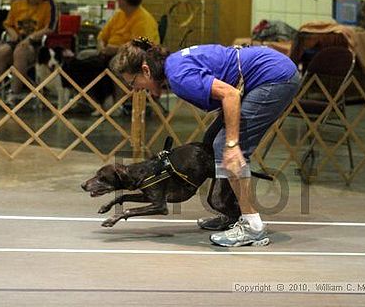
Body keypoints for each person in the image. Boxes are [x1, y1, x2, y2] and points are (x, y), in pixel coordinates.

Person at [110, 38, 300, 247]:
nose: (134, 89)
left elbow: (230, 94)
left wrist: (232, 144)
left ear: (146, 70)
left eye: (132, 82)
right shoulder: (174, 66)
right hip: (266, 73)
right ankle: (230, 213)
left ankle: (252, 226)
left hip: (274, 78)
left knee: (224, 146)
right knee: (212, 141)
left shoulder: (179, 76)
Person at [74, 0, 159, 116]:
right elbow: (102, 35)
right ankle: (89, 99)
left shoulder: (143, 20)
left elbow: (141, 47)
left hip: (136, 57)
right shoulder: (119, 15)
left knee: (117, 63)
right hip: (109, 51)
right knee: (83, 56)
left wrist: (115, 49)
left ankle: (120, 103)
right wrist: (101, 45)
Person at [0, 0, 57, 106]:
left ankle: (14, 93)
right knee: (2, 51)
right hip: (17, 39)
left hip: (37, 43)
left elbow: (50, 28)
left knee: (20, 51)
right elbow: (8, 24)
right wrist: (12, 33)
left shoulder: (48, 3)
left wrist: (31, 38)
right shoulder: (17, 3)